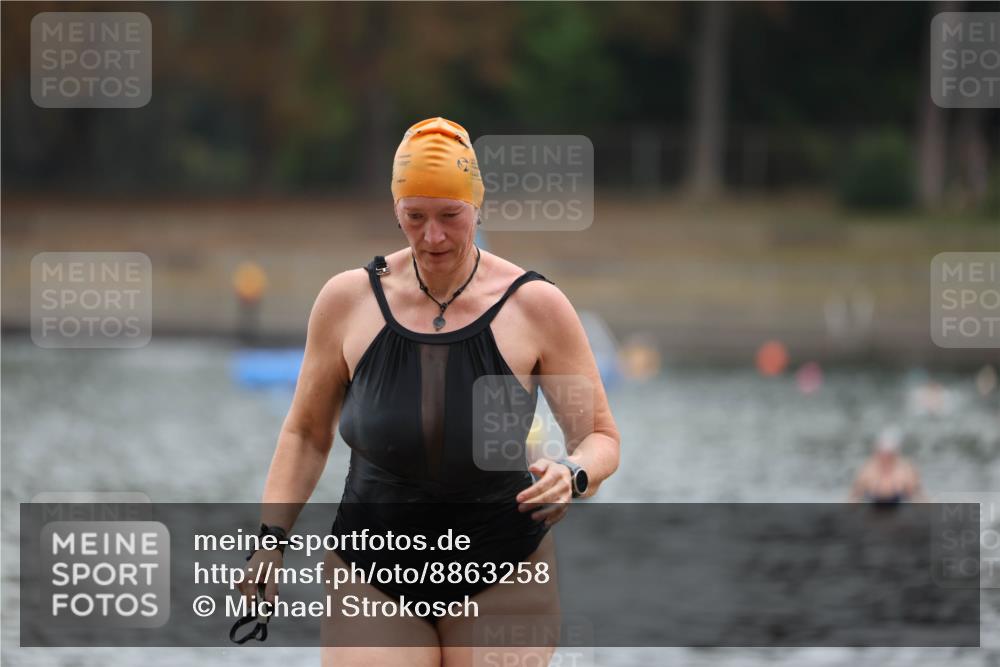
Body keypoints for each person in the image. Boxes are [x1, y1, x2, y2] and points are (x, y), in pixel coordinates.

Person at [236, 117, 621, 666]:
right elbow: (304, 433)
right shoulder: (347, 301)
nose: (432, 236)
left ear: (478, 207)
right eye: (414, 217)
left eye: (450, 216)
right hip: (372, 570)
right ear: (395, 208)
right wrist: (269, 542)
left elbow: (599, 436)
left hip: (503, 564)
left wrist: (573, 474)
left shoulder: (536, 307)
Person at [848, 426, 926, 504]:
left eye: (889, 454)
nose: (885, 457)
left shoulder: (906, 471)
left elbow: (919, 496)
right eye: (883, 452)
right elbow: (854, 497)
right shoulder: (868, 470)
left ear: (895, 453)